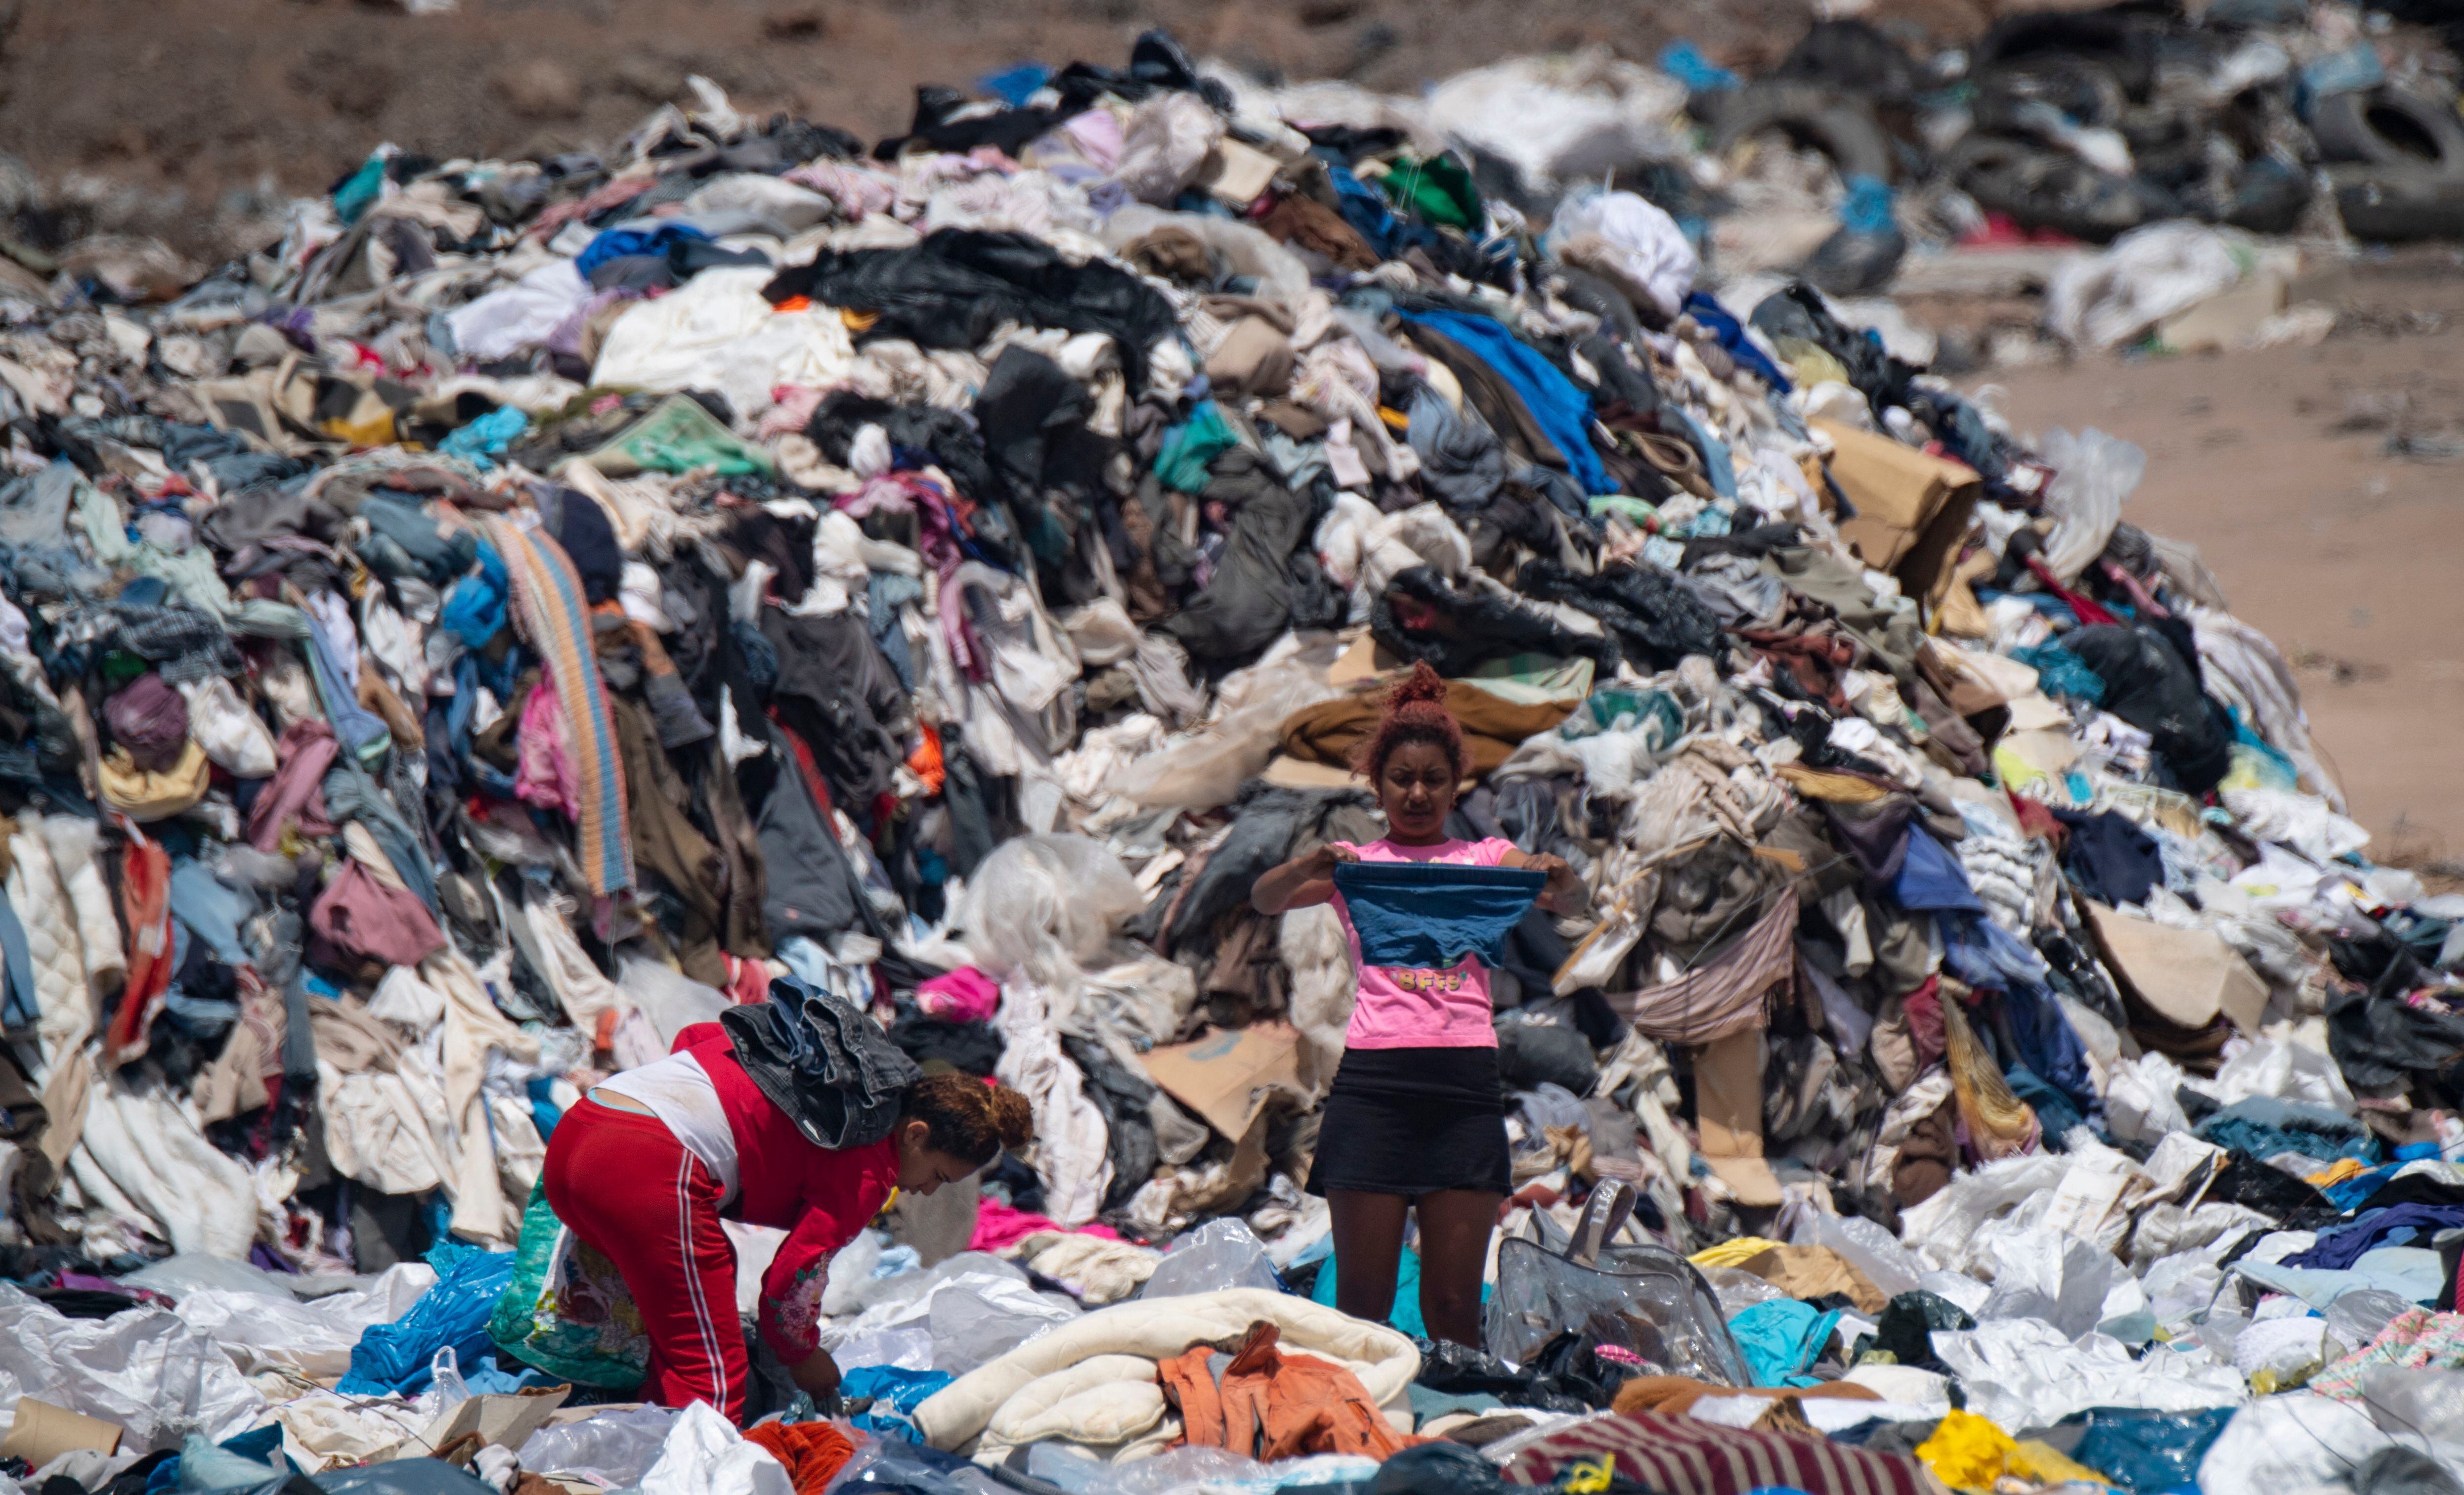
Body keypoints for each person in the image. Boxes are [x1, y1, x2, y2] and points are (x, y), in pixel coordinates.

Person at [1249, 662, 1584, 1346]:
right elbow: (1263, 899)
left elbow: (1565, 900)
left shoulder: (1488, 859)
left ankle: (1444, 1431)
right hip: (1374, 1090)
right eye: (1402, 778)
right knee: (1361, 1309)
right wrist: (1306, 869)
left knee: (1455, 1313)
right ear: (1377, 785)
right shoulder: (1356, 863)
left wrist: (1558, 874)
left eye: (1434, 778)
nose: (1418, 792)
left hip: (1463, 1094)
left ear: (1456, 782)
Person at [543, 1021, 1031, 1422]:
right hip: (644, 1167)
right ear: (916, 1135)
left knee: (698, 1293)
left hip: (579, 1135)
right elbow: (787, 1290)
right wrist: (806, 1359)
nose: (925, 1191)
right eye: (938, 1176)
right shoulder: (867, 1166)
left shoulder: (832, 1084)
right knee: (712, 1380)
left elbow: (693, 1036)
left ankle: (635, 1423)